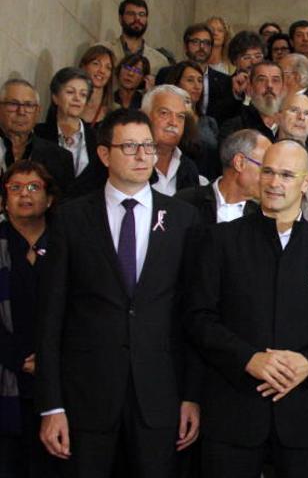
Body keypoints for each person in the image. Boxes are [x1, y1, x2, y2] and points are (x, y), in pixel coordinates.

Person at [36, 108, 201, 477]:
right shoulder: (70, 218)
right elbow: (50, 317)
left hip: (159, 397)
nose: (144, 156)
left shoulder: (183, 218)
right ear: (104, 154)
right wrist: (51, 405)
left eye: (148, 145)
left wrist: (191, 395)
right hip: (86, 397)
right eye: (130, 147)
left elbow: (190, 316)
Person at [183, 139, 308, 478]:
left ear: (307, 182)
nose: (274, 183)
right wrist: (248, 358)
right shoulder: (219, 240)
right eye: (268, 171)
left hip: (305, 417)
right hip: (233, 412)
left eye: (287, 174)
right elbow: (199, 318)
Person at [0, 161, 59, 478]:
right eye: (16, 188)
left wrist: (48, 358)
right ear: (3, 200)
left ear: (49, 199)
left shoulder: (67, 244)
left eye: (34, 187)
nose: (25, 194)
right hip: (7, 375)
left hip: (58, 381)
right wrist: (15, 356)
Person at [34, 67, 108, 197]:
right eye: (70, 92)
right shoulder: (38, 134)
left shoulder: (98, 139)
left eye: (83, 94)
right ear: (55, 97)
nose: (77, 98)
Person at [175, 129, 268, 224]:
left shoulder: (264, 217)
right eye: (266, 169)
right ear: (239, 163)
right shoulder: (186, 202)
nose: (271, 180)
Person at [0, 79, 75, 195]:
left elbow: (65, 206)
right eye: (13, 104)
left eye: (29, 105)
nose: (21, 111)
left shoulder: (60, 158)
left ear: (37, 111)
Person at [142, 85, 203, 195]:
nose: (174, 123)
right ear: (145, 116)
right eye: (164, 113)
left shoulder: (189, 168)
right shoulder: (131, 161)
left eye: (180, 117)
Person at [166, 60, 222, 180]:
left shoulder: (209, 122)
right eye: (190, 80)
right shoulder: (170, 120)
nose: (197, 86)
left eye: (200, 81)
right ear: (177, 84)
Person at [96, 0, 169, 75]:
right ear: (120, 19)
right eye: (131, 14)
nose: (137, 18)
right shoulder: (102, 49)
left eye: (141, 14)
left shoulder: (160, 61)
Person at [221, 61, 286, 143]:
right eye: (261, 80)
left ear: (284, 88)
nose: (269, 85)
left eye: (275, 80)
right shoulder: (235, 127)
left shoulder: (292, 124)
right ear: (250, 88)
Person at [78, 45, 118, 127]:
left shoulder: (115, 112)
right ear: (83, 66)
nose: (102, 71)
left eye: (108, 67)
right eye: (96, 64)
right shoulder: (68, 102)